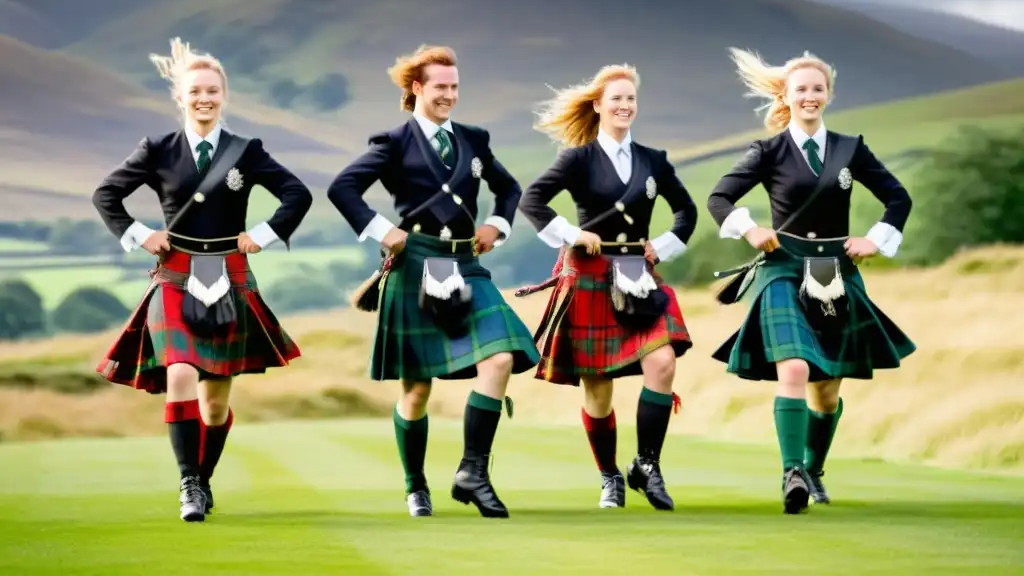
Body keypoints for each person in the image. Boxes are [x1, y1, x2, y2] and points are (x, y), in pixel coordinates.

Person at [92, 38, 313, 523]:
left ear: (223, 95)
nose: (204, 99)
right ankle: (188, 484)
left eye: (212, 91)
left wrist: (261, 234)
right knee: (180, 371)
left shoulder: (245, 151)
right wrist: (139, 233)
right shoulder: (158, 150)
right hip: (175, 275)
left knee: (215, 404)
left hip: (231, 276)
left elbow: (297, 194)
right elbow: (106, 194)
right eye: (195, 91)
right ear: (180, 97)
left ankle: (203, 479)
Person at [327, 44, 540, 519]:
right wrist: (384, 231)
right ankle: (415, 484)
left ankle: (473, 472)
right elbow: (342, 188)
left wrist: (497, 226)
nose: (449, 95)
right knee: (417, 390)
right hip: (416, 264)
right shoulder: (393, 143)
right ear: (417, 88)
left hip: (466, 263)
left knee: (501, 356)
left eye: (455, 86)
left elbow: (508, 188)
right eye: (440, 87)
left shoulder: (474, 139)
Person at [706, 48, 915, 514]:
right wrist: (750, 228)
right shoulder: (769, 150)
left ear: (828, 95)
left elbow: (898, 199)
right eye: (801, 89)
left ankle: (815, 470)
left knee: (828, 387)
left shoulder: (850, 149)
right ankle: (792, 472)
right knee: (796, 368)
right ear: (786, 95)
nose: (810, 96)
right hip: (783, 267)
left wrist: (875, 240)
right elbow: (719, 196)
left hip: (837, 271)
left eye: (817, 89)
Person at [516, 64, 697, 511]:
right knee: (597, 387)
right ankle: (609, 476)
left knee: (663, 360)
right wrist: (572, 235)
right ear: (597, 105)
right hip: (591, 276)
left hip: (639, 274)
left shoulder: (655, 160)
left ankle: (647, 465)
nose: (624, 106)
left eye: (631, 99)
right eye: (616, 99)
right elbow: (531, 200)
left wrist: (664, 245)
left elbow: (686, 212)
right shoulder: (577, 159)